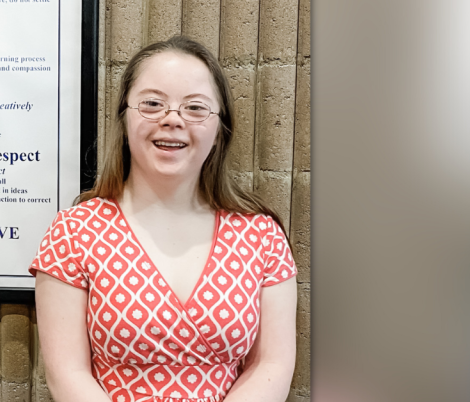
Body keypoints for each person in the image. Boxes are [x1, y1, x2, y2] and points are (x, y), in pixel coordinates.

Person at [30, 36, 297, 402]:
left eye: (195, 108)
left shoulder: (261, 235)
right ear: (125, 118)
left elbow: (272, 365)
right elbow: (66, 374)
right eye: (152, 104)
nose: (172, 120)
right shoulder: (74, 232)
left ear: (219, 130)